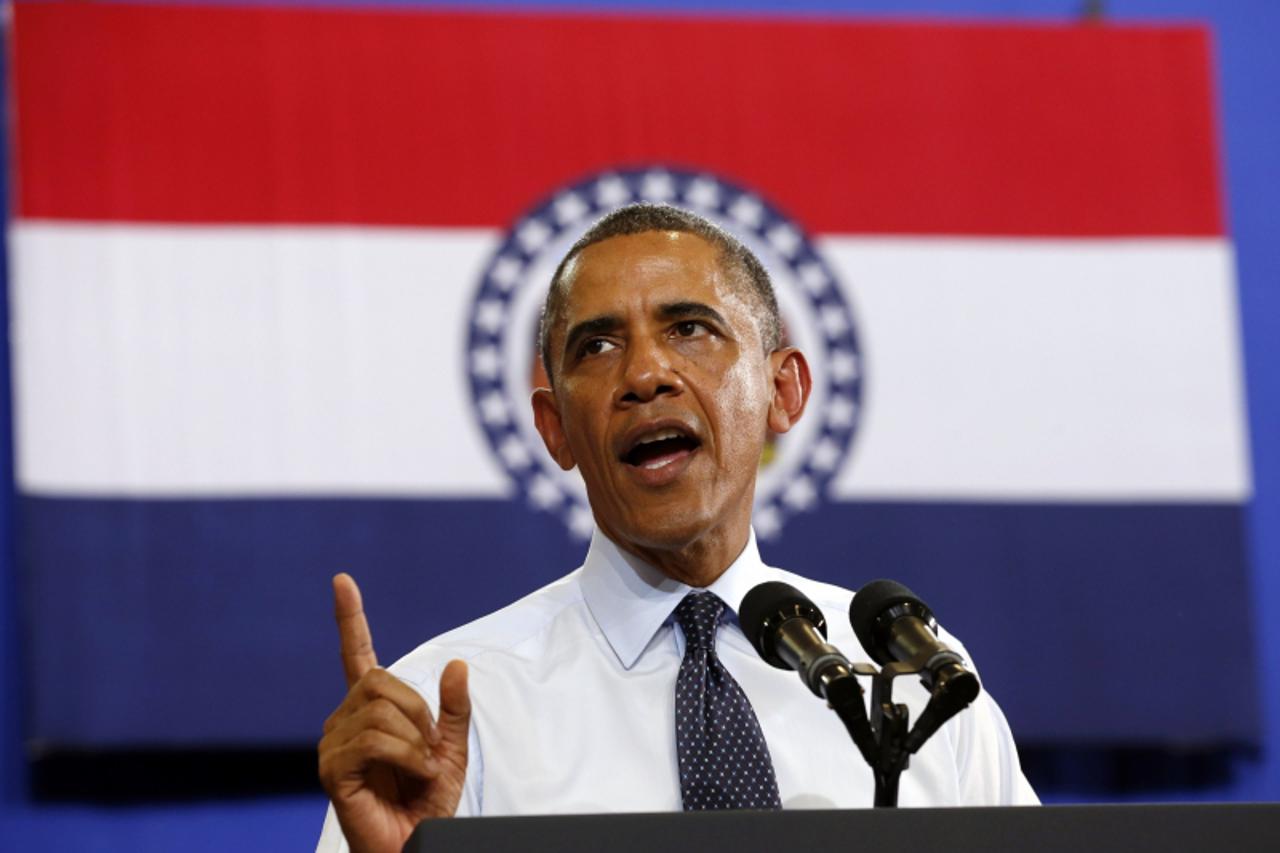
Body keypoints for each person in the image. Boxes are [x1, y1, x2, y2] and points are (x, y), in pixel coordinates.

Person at [316, 204, 1038, 852]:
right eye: (597, 346)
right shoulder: (448, 712)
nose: (646, 374)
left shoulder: (917, 681)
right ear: (554, 428)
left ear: (782, 391)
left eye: (689, 328)